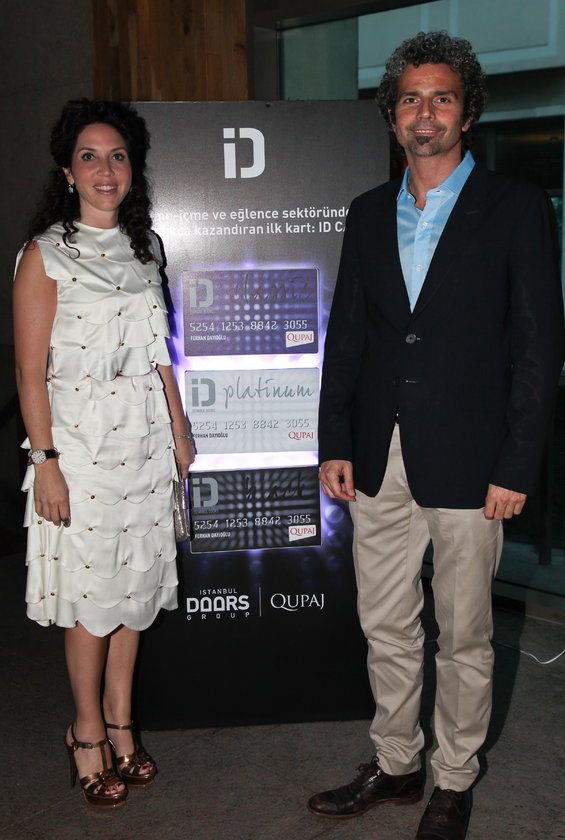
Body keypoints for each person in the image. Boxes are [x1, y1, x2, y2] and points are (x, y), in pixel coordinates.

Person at [309, 31, 564, 840]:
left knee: (464, 634)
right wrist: (334, 439)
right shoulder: (365, 212)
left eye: (441, 98)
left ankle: (453, 779)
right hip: (376, 454)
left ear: (467, 111)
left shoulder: (515, 207)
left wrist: (515, 463)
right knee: (384, 622)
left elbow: (537, 350)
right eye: (410, 99)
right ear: (392, 115)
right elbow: (347, 335)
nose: (425, 113)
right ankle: (396, 763)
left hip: (472, 459)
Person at [13, 99, 195, 809]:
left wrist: (179, 429)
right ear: (67, 171)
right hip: (81, 449)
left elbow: (158, 354)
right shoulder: (44, 255)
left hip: (144, 443)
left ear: (132, 168)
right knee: (93, 598)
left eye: (117, 155)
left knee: (135, 589)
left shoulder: (146, 249)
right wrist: (45, 462)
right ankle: (85, 732)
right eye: (88, 156)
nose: (105, 169)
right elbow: (29, 372)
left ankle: (122, 724)